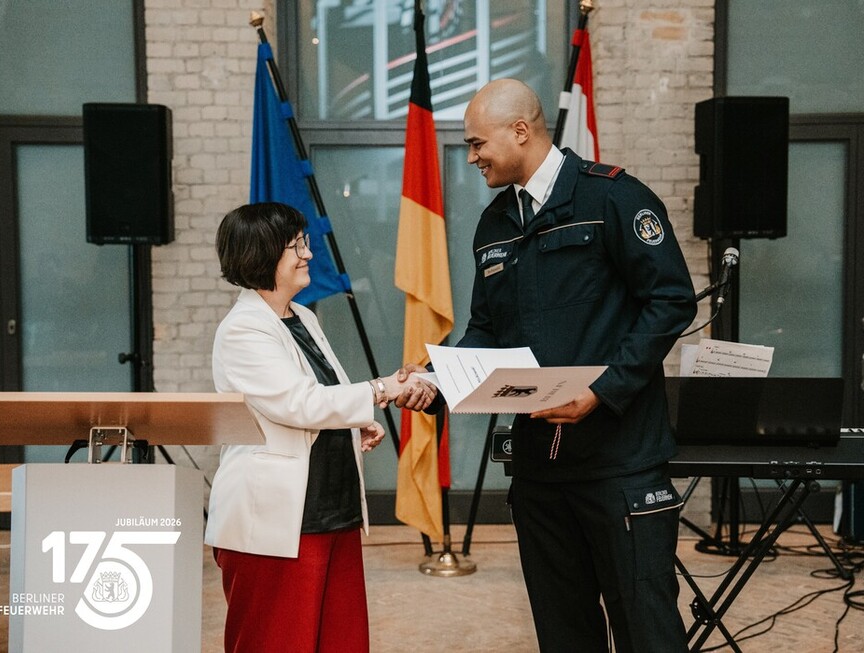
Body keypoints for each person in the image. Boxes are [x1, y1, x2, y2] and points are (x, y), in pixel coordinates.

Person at [457, 79, 698, 651]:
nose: (471, 158)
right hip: (540, 472)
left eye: (475, 143)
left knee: (648, 632)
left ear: (521, 130)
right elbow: (486, 328)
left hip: (620, 463)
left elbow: (671, 300)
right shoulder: (495, 224)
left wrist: (603, 388)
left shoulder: (614, 198)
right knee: (564, 634)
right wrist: (439, 375)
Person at [205, 202, 433, 653]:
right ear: (261, 254)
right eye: (296, 246)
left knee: (341, 642)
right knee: (275, 643)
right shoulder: (243, 330)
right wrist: (381, 389)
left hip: (332, 510)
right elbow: (299, 404)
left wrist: (358, 419)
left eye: (304, 243)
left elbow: (325, 393)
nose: (308, 254)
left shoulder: (301, 316)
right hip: (275, 524)